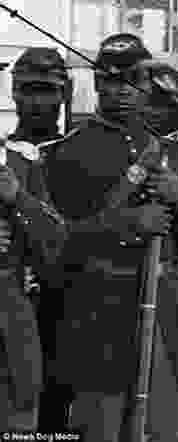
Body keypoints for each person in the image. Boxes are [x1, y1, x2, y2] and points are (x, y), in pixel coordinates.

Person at [44, 33, 178, 442]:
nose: (121, 89)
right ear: (97, 83)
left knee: (168, 428)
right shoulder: (65, 153)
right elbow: (54, 246)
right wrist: (125, 225)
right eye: (111, 79)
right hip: (101, 314)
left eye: (132, 79)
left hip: (167, 308)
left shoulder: (171, 150)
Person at [0, 47, 68, 432]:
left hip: (71, 304)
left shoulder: (77, 151)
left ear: (64, 92)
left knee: (57, 411)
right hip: (18, 302)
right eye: (29, 90)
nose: (38, 102)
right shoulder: (11, 159)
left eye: (47, 90)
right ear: (13, 92)